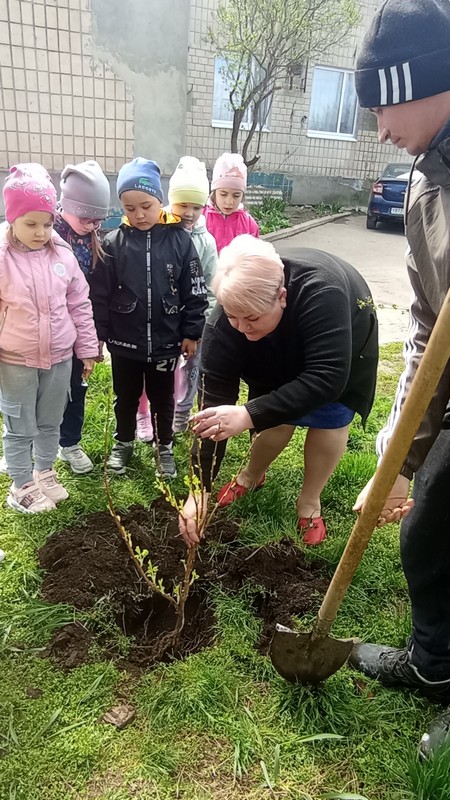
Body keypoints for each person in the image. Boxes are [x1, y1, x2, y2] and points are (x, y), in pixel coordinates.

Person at [348, 0, 450, 758]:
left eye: (384, 107)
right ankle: (435, 664)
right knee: (428, 525)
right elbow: (424, 326)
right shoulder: (424, 186)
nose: (380, 129)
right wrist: (397, 459)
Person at [179, 234, 378, 547]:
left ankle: (309, 501)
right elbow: (211, 412)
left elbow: (327, 377)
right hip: (273, 348)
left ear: (282, 296)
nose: (241, 328)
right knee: (271, 416)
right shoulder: (223, 328)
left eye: (252, 318)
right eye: (232, 316)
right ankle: (250, 475)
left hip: (340, 332)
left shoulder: (322, 293)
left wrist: (246, 414)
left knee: (330, 418)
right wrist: (198, 490)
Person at [89, 157, 208, 479]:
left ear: (160, 201)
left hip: (167, 340)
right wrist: (99, 335)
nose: (139, 214)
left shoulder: (181, 240)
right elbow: (99, 295)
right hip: (124, 341)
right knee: (125, 396)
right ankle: (123, 442)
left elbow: (195, 290)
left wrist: (192, 332)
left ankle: (164, 446)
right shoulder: (113, 243)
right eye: (130, 208)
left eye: (146, 206)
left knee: (163, 397)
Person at [0, 163, 98, 513]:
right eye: (31, 224)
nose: (41, 232)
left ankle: (44, 472)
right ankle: (21, 484)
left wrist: (87, 349)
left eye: (47, 223)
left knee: (50, 421)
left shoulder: (63, 256)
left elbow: (79, 304)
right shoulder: (2, 258)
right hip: (16, 360)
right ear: (12, 218)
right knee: (19, 425)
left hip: (59, 357)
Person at [54, 160, 110, 474]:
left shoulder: (93, 242)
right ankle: (27, 443)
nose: (91, 226)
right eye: (86, 218)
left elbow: (96, 296)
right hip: (46, 332)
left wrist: (94, 337)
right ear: (66, 206)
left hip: (80, 330)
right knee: (39, 392)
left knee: (76, 388)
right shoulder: (45, 235)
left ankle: (70, 443)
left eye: (98, 220)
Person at [168, 156, 218, 433]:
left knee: (190, 369)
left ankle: (181, 413)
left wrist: (201, 326)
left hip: (193, 320)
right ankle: (158, 411)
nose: (189, 212)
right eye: (182, 204)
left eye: (196, 207)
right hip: (164, 320)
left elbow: (211, 284)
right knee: (163, 370)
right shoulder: (159, 232)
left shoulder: (206, 241)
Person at [204, 153, 259, 253]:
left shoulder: (249, 224)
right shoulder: (201, 218)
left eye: (236, 196)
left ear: (242, 195)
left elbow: (254, 257)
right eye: (223, 194)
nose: (229, 202)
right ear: (214, 192)